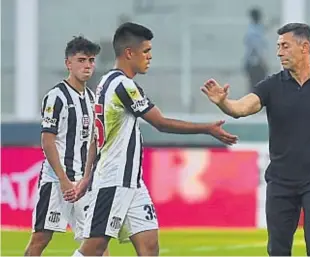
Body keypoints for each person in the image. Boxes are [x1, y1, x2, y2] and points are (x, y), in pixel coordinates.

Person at [70, 22, 238, 257]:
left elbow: (97, 138)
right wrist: (207, 128)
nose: (150, 57)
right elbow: (160, 122)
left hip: (132, 183)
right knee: (94, 249)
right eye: (146, 51)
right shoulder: (123, 86)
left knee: (149, 246)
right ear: (130, 53)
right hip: (113, 181)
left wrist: (87, 175)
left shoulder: (106, 83)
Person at [201, 23, 310, 256]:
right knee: (277, 250)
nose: (278, 53)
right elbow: (242, 108)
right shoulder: (271, 86)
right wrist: (224, 103)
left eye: (285, 46)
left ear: (305, 47)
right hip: (281, 182)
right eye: (278, 47)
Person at [23, 36, 112, 255]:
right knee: (40, 239)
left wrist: (89, 177)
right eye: (81, 60)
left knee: (98, 242)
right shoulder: (56, 97)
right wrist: (63, 180)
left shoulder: (92, 98)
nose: (88, 65)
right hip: (57, 181)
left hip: (83, 183)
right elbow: (47, 140)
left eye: (91, 60)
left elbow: (93, 140)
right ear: (68, 63)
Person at [243, 7, 269, 92]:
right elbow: (256, 48)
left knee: (255, 86)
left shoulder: (253, 29)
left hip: (252, 63)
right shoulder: (254, 32)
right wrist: (263, 61)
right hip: (256, 63)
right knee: (258, 87)